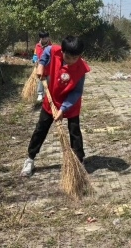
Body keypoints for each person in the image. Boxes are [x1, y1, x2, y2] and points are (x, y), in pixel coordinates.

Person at [21, 36, 90, 177]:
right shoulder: (54, 50)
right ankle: (30, 159)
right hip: (51, 99)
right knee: (40, 129)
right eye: (68, 57)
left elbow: (77, 92)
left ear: (80, 56)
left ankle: (79, 161)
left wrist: (63, 109)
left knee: (75, 133)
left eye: (74, 58)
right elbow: (45, 52)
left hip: (70, 105)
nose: (70, 61)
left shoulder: (81, 68)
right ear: (62, 51)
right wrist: (41, 64)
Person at [33, 31, 52, 102]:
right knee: (41, 80)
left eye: (46, 38)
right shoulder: (37, 46)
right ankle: (40, 94)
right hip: (40, 67)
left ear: (48, 37)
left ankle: (49, 95)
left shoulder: (51, 46)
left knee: (49, 80)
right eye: (43, 38)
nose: (44, 39)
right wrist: (35, 60)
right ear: (40, 38)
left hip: (49, 67)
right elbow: (35, 54)